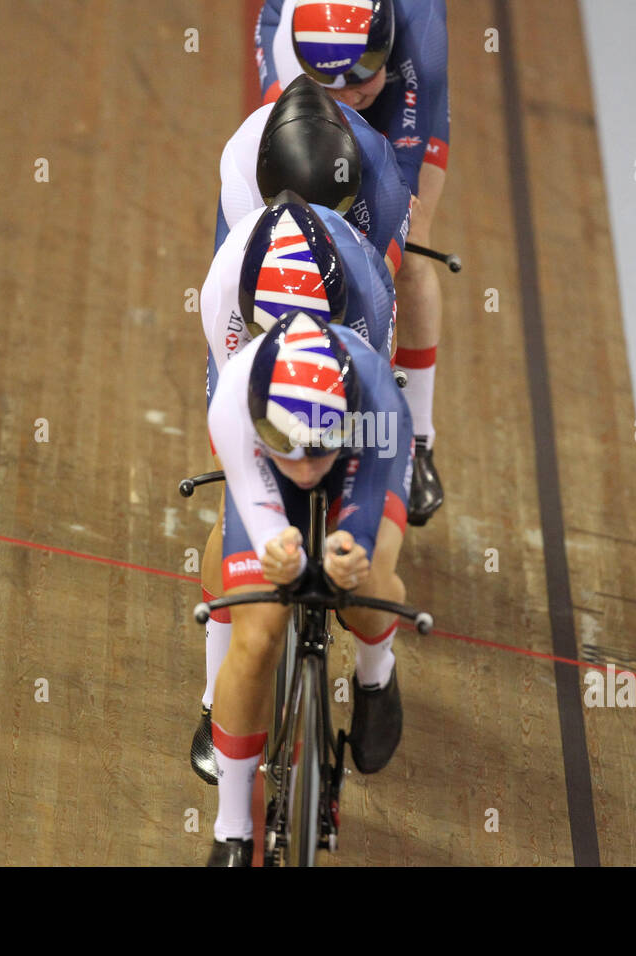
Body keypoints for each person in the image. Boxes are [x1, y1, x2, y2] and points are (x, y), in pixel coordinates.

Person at [191, 193, 397, 787]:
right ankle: (214, 695)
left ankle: (376, 674)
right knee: (236, 498)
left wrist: (351, 530)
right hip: (258, 377)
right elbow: (238, 429)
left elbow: (373, 419)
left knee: (362, 544)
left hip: (342, 379)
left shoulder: (367, 298)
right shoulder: (226, 294)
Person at [204, 311, 414, 867]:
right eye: (287, 447)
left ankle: (376, 674)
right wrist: (279, 551)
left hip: (361, 463)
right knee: (257, 635)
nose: (303, 471)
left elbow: (365, 511)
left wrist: (352, 546)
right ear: (261, 419)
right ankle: (231, 830)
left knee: (366, 578)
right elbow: (261, 510)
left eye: (318, 450)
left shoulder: (376, 403)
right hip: (262, 478)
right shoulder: (233, 400)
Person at [256, 0, 449, 526]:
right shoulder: (287, 31)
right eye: (331, 83)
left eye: (361, 78)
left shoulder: (418, 30)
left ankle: (417, 437)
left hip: (403, 102)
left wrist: (385, 247)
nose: (345, 97)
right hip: (305, 94)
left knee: (410, 250)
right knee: (284, 231)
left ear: (384, 47)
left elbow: (401, 173)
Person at [214, 74, 411, 280]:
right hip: (266, 207)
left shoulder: (380, 179)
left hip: (361, 202)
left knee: (369, 277)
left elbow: (372, 287)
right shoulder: (243, 184)